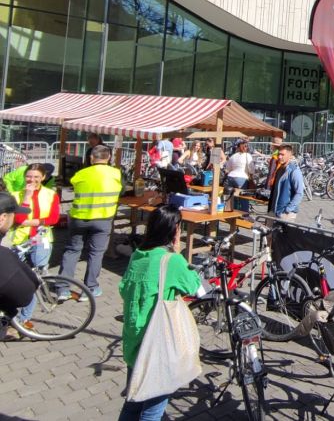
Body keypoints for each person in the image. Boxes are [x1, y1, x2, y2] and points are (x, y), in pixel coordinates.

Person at [118, 205, 203, 420]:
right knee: (153, 409)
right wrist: (178, 251)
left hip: (133, 338)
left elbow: (123, 288)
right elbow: (195, 288)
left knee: (133, 400)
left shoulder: (138, 255)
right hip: (158, 343)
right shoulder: (171, 261)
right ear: (174, 230)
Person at [58, 144, 122, 300]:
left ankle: (63, 289)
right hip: (103, 220)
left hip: (79, 218)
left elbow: (72, 182)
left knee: (72, 250)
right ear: (109, 158)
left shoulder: (80, 174)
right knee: (96, 253)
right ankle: (90, 288)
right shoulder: (116, 173)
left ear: (91, 158)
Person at [10, 164, 61, 328]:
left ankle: (24, 318)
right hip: (20, 242)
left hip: (41, 240)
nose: (32, 180)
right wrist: (27, 198)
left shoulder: (51, 194)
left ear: (43, 178)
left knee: (34, 279)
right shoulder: (16, 195)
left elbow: (53, 219)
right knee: (17, 280)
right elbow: (17, 219)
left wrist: (28, 222)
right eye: (29, 177)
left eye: (36, 177)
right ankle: (11, 313)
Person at [0, 193, 41, 341]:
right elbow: (22, 296)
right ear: (2, 218)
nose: (14, 221)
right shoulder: (3, 256)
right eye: (13, 216)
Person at [267, 144, 304, 220]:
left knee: (284, 232)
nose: (279, 157)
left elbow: (299, 193)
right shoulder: (280, 168)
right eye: (279, 154)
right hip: (274, 211)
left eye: (282, 154)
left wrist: (288, 209)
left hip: (285, 213)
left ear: (290, 155)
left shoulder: (294, 171)